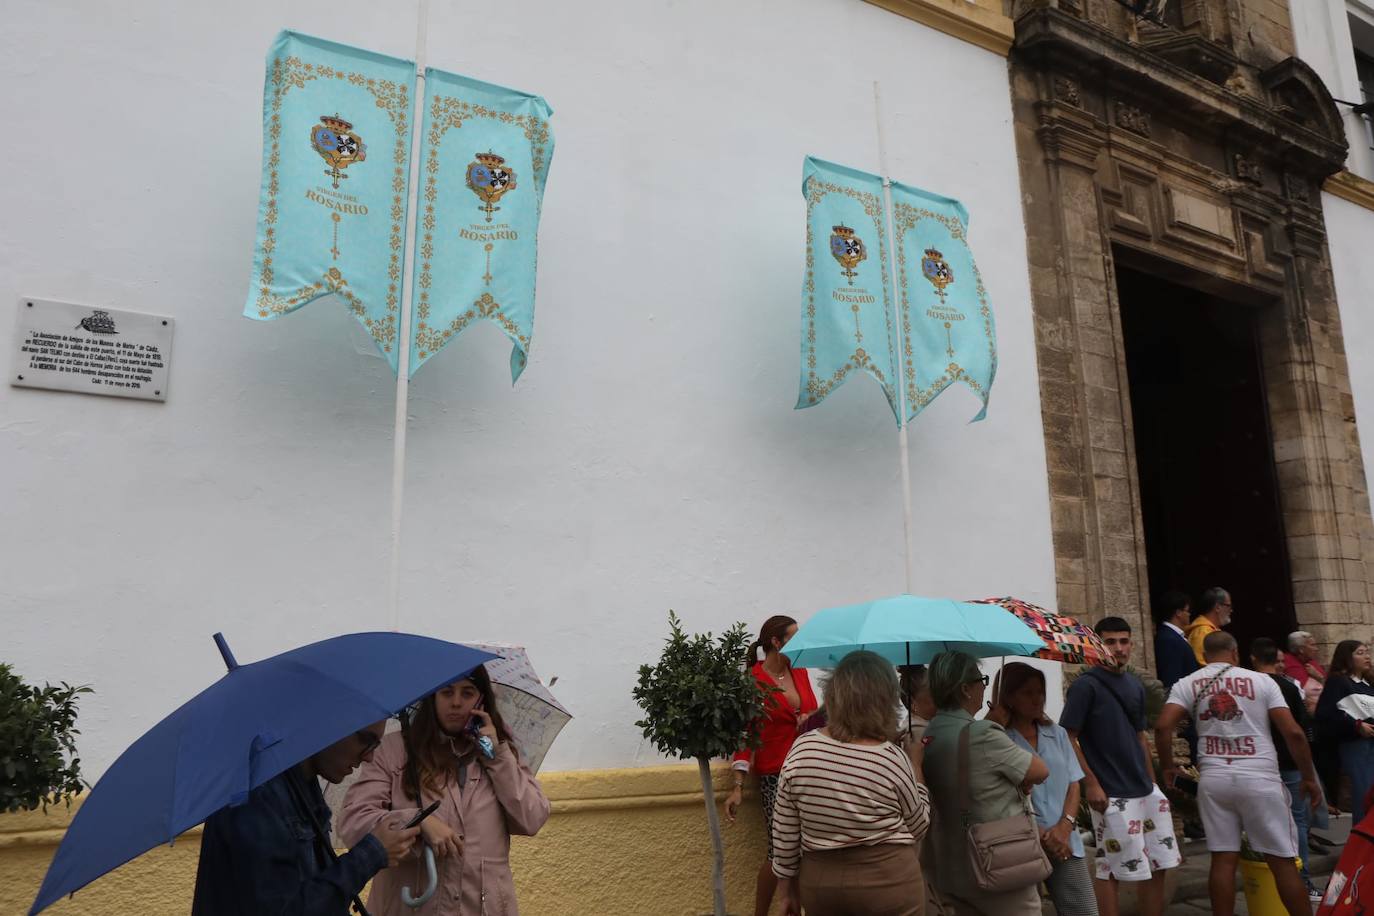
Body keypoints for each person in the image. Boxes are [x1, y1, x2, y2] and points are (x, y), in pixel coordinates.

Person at [339, 666, 550, 915]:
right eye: (447, 692)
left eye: (468, 692)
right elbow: (354, 823)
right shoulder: (394, 751)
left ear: (482, 700)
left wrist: (497, 758)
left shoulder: (501, 752)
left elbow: (532, 818)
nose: (457, 703)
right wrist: (417, 821)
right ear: (432, 698)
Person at [1155, 631, 1322, 916]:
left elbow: (1161, 727)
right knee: (1281, 859)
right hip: (1259, 777)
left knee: (1222, 859)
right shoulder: (1262, 681)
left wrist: (1169, 766)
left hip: (1215, 779)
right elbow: (1293, 733)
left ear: (1205, 656)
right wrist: (1309, 777)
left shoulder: (1187, 683)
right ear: (1235, 653)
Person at [192, 721, 421, 915]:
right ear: (326, 722)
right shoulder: (258, 794)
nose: (370, 756)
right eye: (364, 740)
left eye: (375, 745)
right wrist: (371, 855)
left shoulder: (303, 785)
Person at [771, 650, 929, 916]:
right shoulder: (890, 758)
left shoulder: (803, 749)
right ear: (884, 700)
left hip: (821, 883)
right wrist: (916, 764)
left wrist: (785, 891)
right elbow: (920, 824)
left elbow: (785, 831)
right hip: (888, 881)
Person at [1060, 617, 1180, 916]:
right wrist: (1091, 782)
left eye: (1124, 641)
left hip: (1144, 790)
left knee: (1159, 863)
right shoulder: (1085, 686)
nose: (1118, 648)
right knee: (1110, 868)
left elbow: (1140, 736)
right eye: (1110, 641)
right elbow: (1068, 736)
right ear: (1098, 643)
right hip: (1112, 792)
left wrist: (1153, 785)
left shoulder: (1135, 685)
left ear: (1132, 644)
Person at [923, 650, 1049, 915]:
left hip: (949, 861)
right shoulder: (982, 733)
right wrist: (995, 729)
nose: (983, 686)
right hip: (994, 858)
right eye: (981, 680)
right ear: (966, 689)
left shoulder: (931, 731)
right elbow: (1038, 770)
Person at [724, 615, 819, 916]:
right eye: (794, 637)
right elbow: (746, 734)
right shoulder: (752, 679)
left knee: (806, 852)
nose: (800, 642)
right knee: (779, 852)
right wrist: (737, 786)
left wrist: (809, 721)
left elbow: (814, 713)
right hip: (774, 776)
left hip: (807, 770)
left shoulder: (800, 671)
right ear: (776, 642)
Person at [992, 662, 1099, 916]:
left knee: (1084, 910)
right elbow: (1000, 794)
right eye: (1027, 693)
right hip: (1022, 841)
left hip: (1065, 840)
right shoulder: (998, 739)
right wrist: (1041, 834)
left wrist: (1065, 825)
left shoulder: (1057, 733)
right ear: (1008, 696)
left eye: (1040, 691)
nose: (1037, 698)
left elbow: (1074, 782)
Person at [1251, 636, 1325, 900]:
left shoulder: (1248, 688)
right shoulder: (1288, 688)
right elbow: (1301, 730)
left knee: (1263, 823)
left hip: (1260, 763)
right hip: (1288, 763)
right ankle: (1301, 881)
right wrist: (1309, 768)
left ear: (1252, 658)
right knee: (1297, 822)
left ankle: (1273, 881)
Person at [900, 665, 947, 916]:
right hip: (929, 823)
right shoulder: (920, 733)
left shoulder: (924, 728)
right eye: (932, 692)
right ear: (913, 701)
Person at [1316, 640, 1374, 821]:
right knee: (1363, 792)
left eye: (1367, 652)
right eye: (1360, 653)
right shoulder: (1338, 682)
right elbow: (1326, 714)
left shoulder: (1367, 684)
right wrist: (1356, 725)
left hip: (1371, 743)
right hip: (1355, 744)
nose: (1366, 656)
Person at [1152, 590, 1198, 693]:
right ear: (1178, 613)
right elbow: (1171, 679)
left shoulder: (1174, 636)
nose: (1189, 614)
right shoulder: (1168, 639)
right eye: (1187, 610)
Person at [1185, 587, 1233, 666]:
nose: (1231, 610)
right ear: (1217, 607)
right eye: (1229, 606)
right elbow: (1204, 667)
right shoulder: (1202, 632)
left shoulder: (1210, 630)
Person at [1284, 631, 1327, 713]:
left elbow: (1329, 686)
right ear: (1301, 649)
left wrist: (1319, 677)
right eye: (1312, 645)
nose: (1316, 649)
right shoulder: (1288, 663)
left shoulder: (1312, 662)